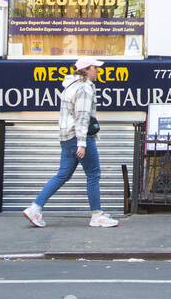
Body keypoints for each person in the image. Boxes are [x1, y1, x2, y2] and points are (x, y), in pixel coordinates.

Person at [23, 57, 120, 229]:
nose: (98, 71)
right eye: (95, 68)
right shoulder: (84, 88)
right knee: (93, 174)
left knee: (62, 175)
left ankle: (35, 208)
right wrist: (82, 143)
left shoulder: (70, 85)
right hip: (79, 137)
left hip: (66, 137)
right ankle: (97, 215)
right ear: (86, 70)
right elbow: (82, 117)